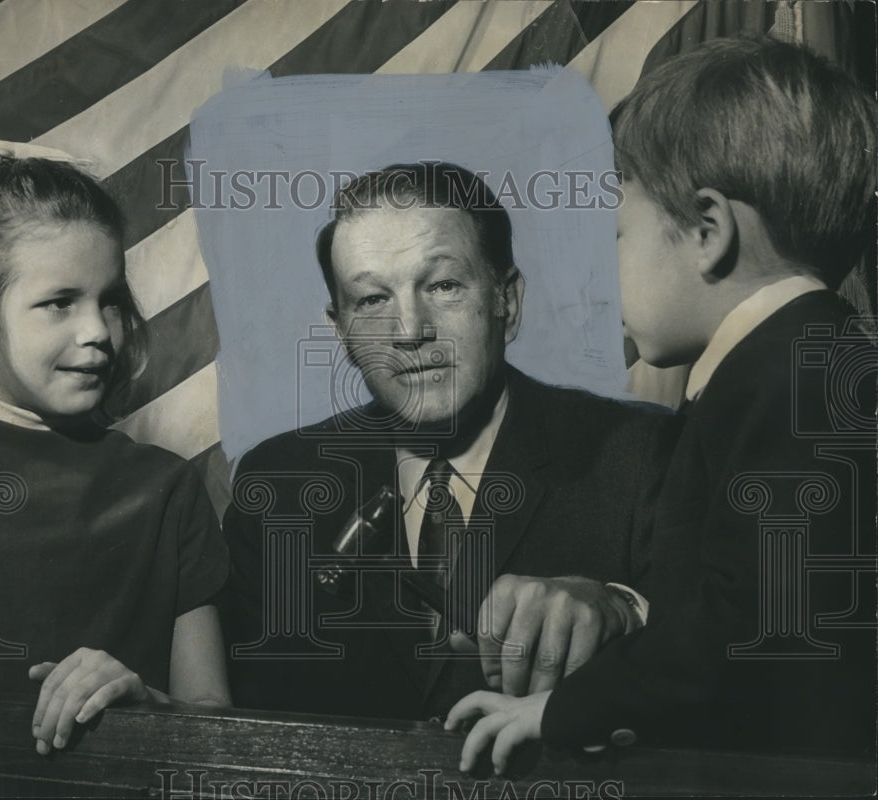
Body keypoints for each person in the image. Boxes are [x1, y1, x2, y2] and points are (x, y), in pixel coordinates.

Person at [447, 36, 878, 770]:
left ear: (708, 233)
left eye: (617, 234)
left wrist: (566, 708)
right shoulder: (799, 369)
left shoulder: (798, 383)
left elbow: (756, 627)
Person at [222, 162, 680, 720]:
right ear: (340, 330)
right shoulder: (276, 485)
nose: (410, 331)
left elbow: (722, 678)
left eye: (442, 286)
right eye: (371, 301)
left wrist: (623, 609)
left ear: (505, 302)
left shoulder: (639, 454)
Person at [0, 148, 231, 789]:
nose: (98, 328)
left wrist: (148, 706)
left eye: (111, 300)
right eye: (60, 302)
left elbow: (214, 727)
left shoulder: (166, 490)